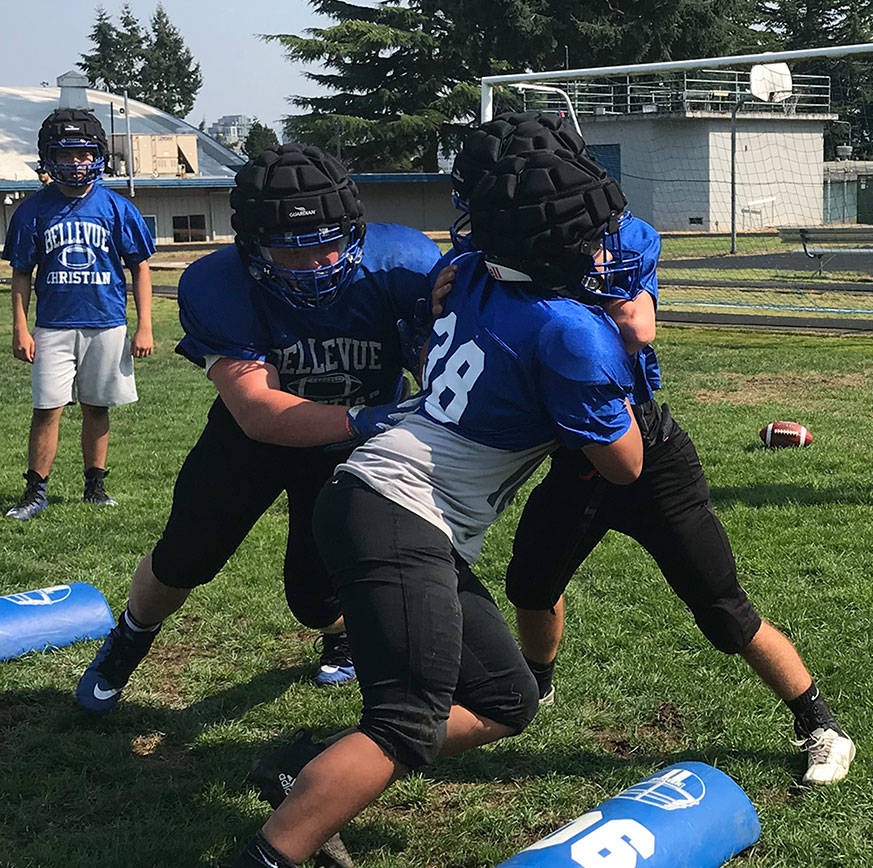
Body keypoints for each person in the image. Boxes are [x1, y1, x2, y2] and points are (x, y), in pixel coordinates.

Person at [226, 145, 644, 868]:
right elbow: (626, 465)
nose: (607, 250)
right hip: (399, 508)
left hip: (386, 501)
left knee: (506, 699)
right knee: (405, 720)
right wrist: (623, 351)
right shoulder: (572, 332)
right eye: (592, 236)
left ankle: (307, 767)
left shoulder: (472, 274)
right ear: (556, 248)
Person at [444, 111, 855, 786]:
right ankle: (539, 684)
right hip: (574, 456)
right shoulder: (484, 255)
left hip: (646, 451)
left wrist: (554, 290)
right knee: (531, 584)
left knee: (722, 608)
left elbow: (637, 324)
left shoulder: (621, 238)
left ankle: (819, 721)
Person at [75, 144, 444, 717]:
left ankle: (338, 631)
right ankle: (130, 637)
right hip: (256, 439)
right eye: (292, 251)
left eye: (330, 242)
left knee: (315, 593)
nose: (319, 262)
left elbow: (434, 359)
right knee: (184, 557)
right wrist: (375, 415)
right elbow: (258, 410)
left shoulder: (405, 260)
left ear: (355, 228)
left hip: (356, 447)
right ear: (250, 245)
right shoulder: (220, 283)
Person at [3, 107, 154, 519]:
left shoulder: (117, 207)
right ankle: (35, 491)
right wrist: (20, 327)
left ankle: (95, 484)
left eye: (84, 154)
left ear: (98, 155)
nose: (76, 163)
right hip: (53, 325)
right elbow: (21, 274)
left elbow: (140, 267)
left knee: (97, 406)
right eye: (66, 154)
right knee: (46, 408)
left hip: (107, 321)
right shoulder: (33, 210)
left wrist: (144, 326)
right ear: (48, 157)